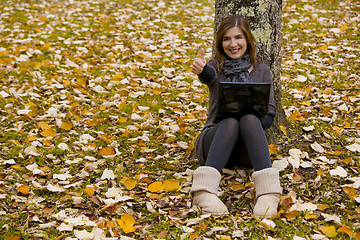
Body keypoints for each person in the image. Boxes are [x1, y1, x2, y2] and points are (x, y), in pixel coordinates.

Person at [190, 15, 282, 218]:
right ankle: (204, 191)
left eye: (238, 37)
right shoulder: (215, 67)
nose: (233, 44)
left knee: (248, 119)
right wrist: (201, 70)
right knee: (230, 121)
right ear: (220, 43)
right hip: (214, 142)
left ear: (248, 39)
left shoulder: (262, 71)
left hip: (245, 149)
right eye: (226, 39)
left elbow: (270, 112)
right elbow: (208, 77)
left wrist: (253, 119)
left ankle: (268, 193)